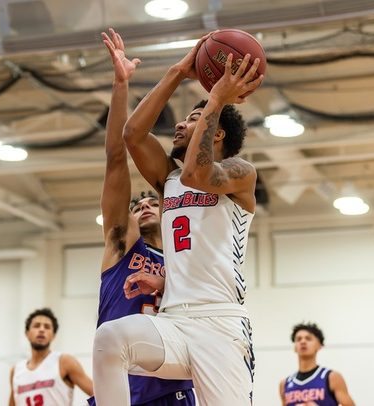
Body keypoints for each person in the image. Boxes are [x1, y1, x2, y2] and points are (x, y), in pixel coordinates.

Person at [92, 32, 264, 406]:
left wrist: (217, 99)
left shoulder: (239, 174)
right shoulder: (167, 180)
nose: (181, 125)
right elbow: (132, 135)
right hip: (173, 322)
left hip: (221, 324)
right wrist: (178, 71)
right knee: (110, 339)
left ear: (216, 132)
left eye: (194, 119)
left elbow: (197, 176)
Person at [87, 29, 195, 406]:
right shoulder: (121, 248)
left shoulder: (186, 262)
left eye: (154, 202)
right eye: (138, 204)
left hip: (171, 392)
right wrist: (121, 85)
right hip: (121, 390)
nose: (145, 205)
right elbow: (116, 157)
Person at [9, 308, 93, 406]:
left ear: (53, 335)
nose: (41, 329)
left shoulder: (64, 361)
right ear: (27, 333)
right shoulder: (15, 370)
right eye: (36, 326)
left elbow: (98, 394)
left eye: (47, 327)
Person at [279, 322, 355, 406]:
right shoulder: (284, 384)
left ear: (319, 345)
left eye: (308, 338)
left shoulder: (332, 377)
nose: (303, 341)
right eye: (298, 339)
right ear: (295, 347)